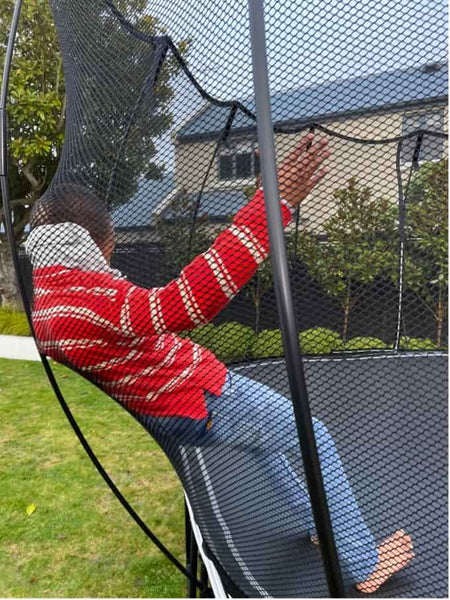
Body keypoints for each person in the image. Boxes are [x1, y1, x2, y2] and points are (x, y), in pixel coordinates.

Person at [25, 134, 413, 593]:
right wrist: (276, 202)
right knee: (314, 436)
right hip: (199, 397)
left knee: (270, 445)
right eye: (110, 243)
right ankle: (365, 563)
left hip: (171, 411)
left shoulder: (47, 305)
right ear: (94, 243)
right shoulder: (99, 299)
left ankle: (320, 525)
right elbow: (191, 301)